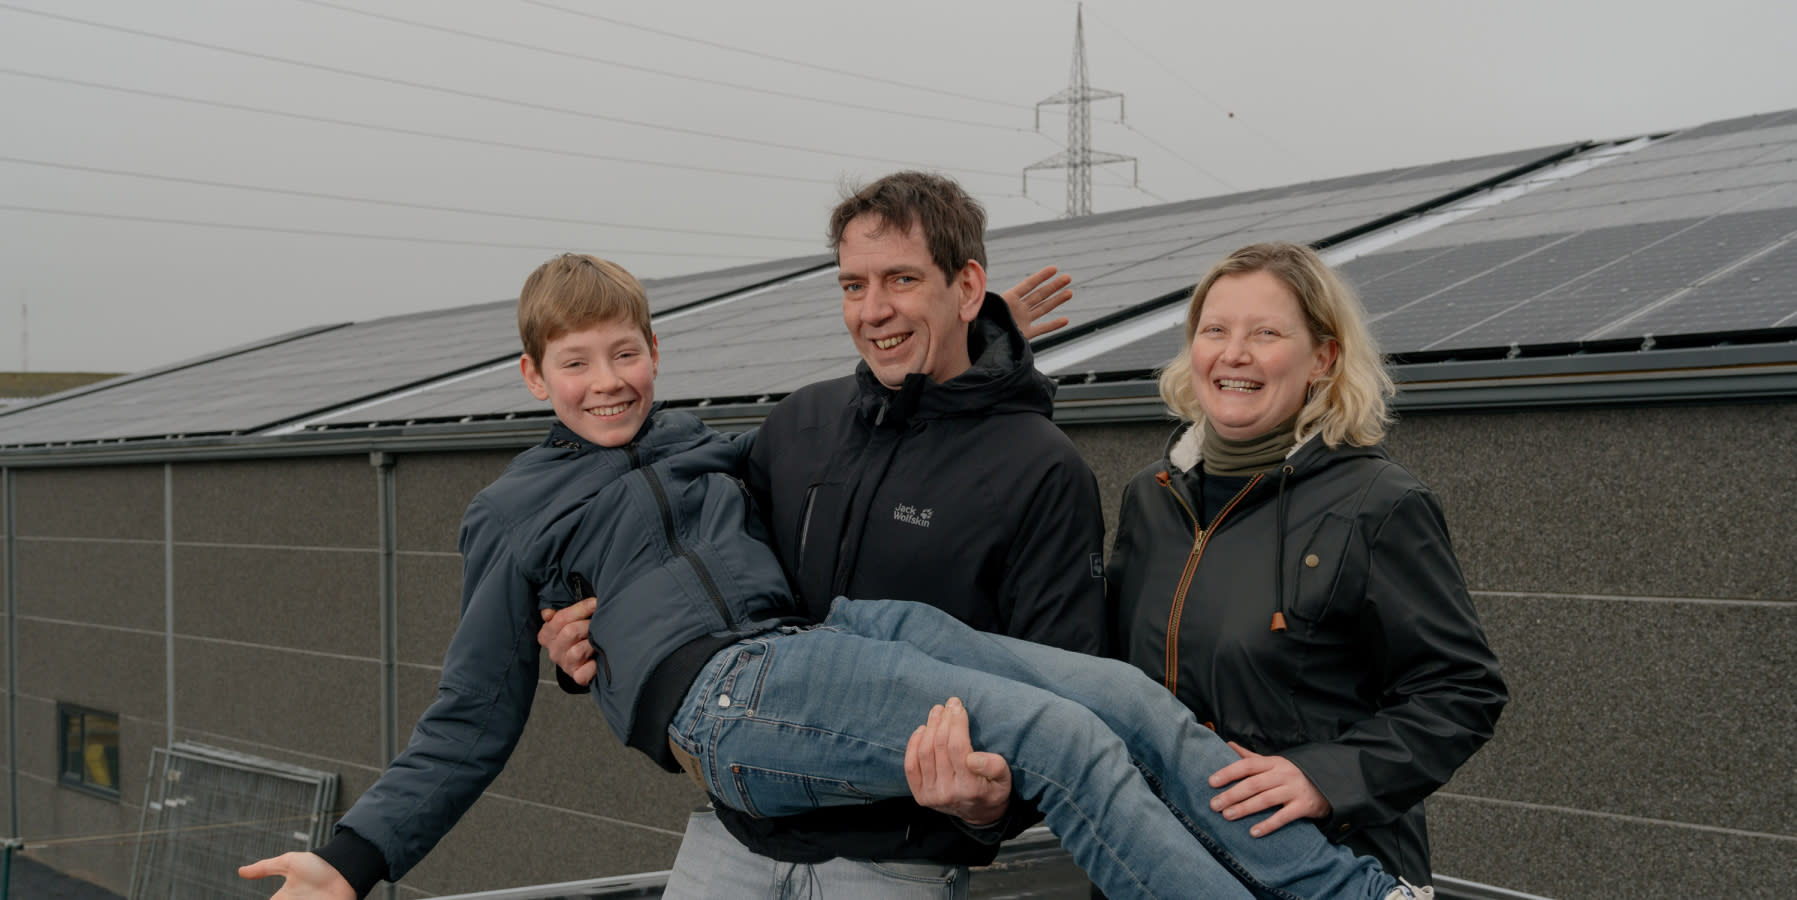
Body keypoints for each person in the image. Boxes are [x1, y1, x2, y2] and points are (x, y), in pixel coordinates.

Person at [238, 252, 1426, 900]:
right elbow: (466, 718)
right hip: (734, 700)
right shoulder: (513, 512)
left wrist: (977, 321)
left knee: (1118, 700)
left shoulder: (714, 452)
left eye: (627, 353)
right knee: (1063, 740)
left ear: (658, 354)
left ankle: (1353, 896)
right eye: (576, 362)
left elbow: (880, 421)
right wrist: (349, 863)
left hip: (825, 643)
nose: (608, 381)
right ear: (533, 374)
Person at [543, 170, 1106, 898]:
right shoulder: (798, 425)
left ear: (966, 289)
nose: (872, 311)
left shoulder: (1041, 470)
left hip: (895, 865)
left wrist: (990, 806)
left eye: (900, 279)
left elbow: (1066, 689)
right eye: (851, 286)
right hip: (733, 842)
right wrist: (577, 639)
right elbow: (682, 558)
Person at [1103, 241, 1509, 891]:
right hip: (1152, 864)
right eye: (1214, 330)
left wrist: (1323, 778)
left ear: (1322, 357)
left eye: (1265, 333)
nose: (1233, 354)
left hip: (1313, 871)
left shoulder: (1377, 504)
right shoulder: (1149, 498)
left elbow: (1459, 692)